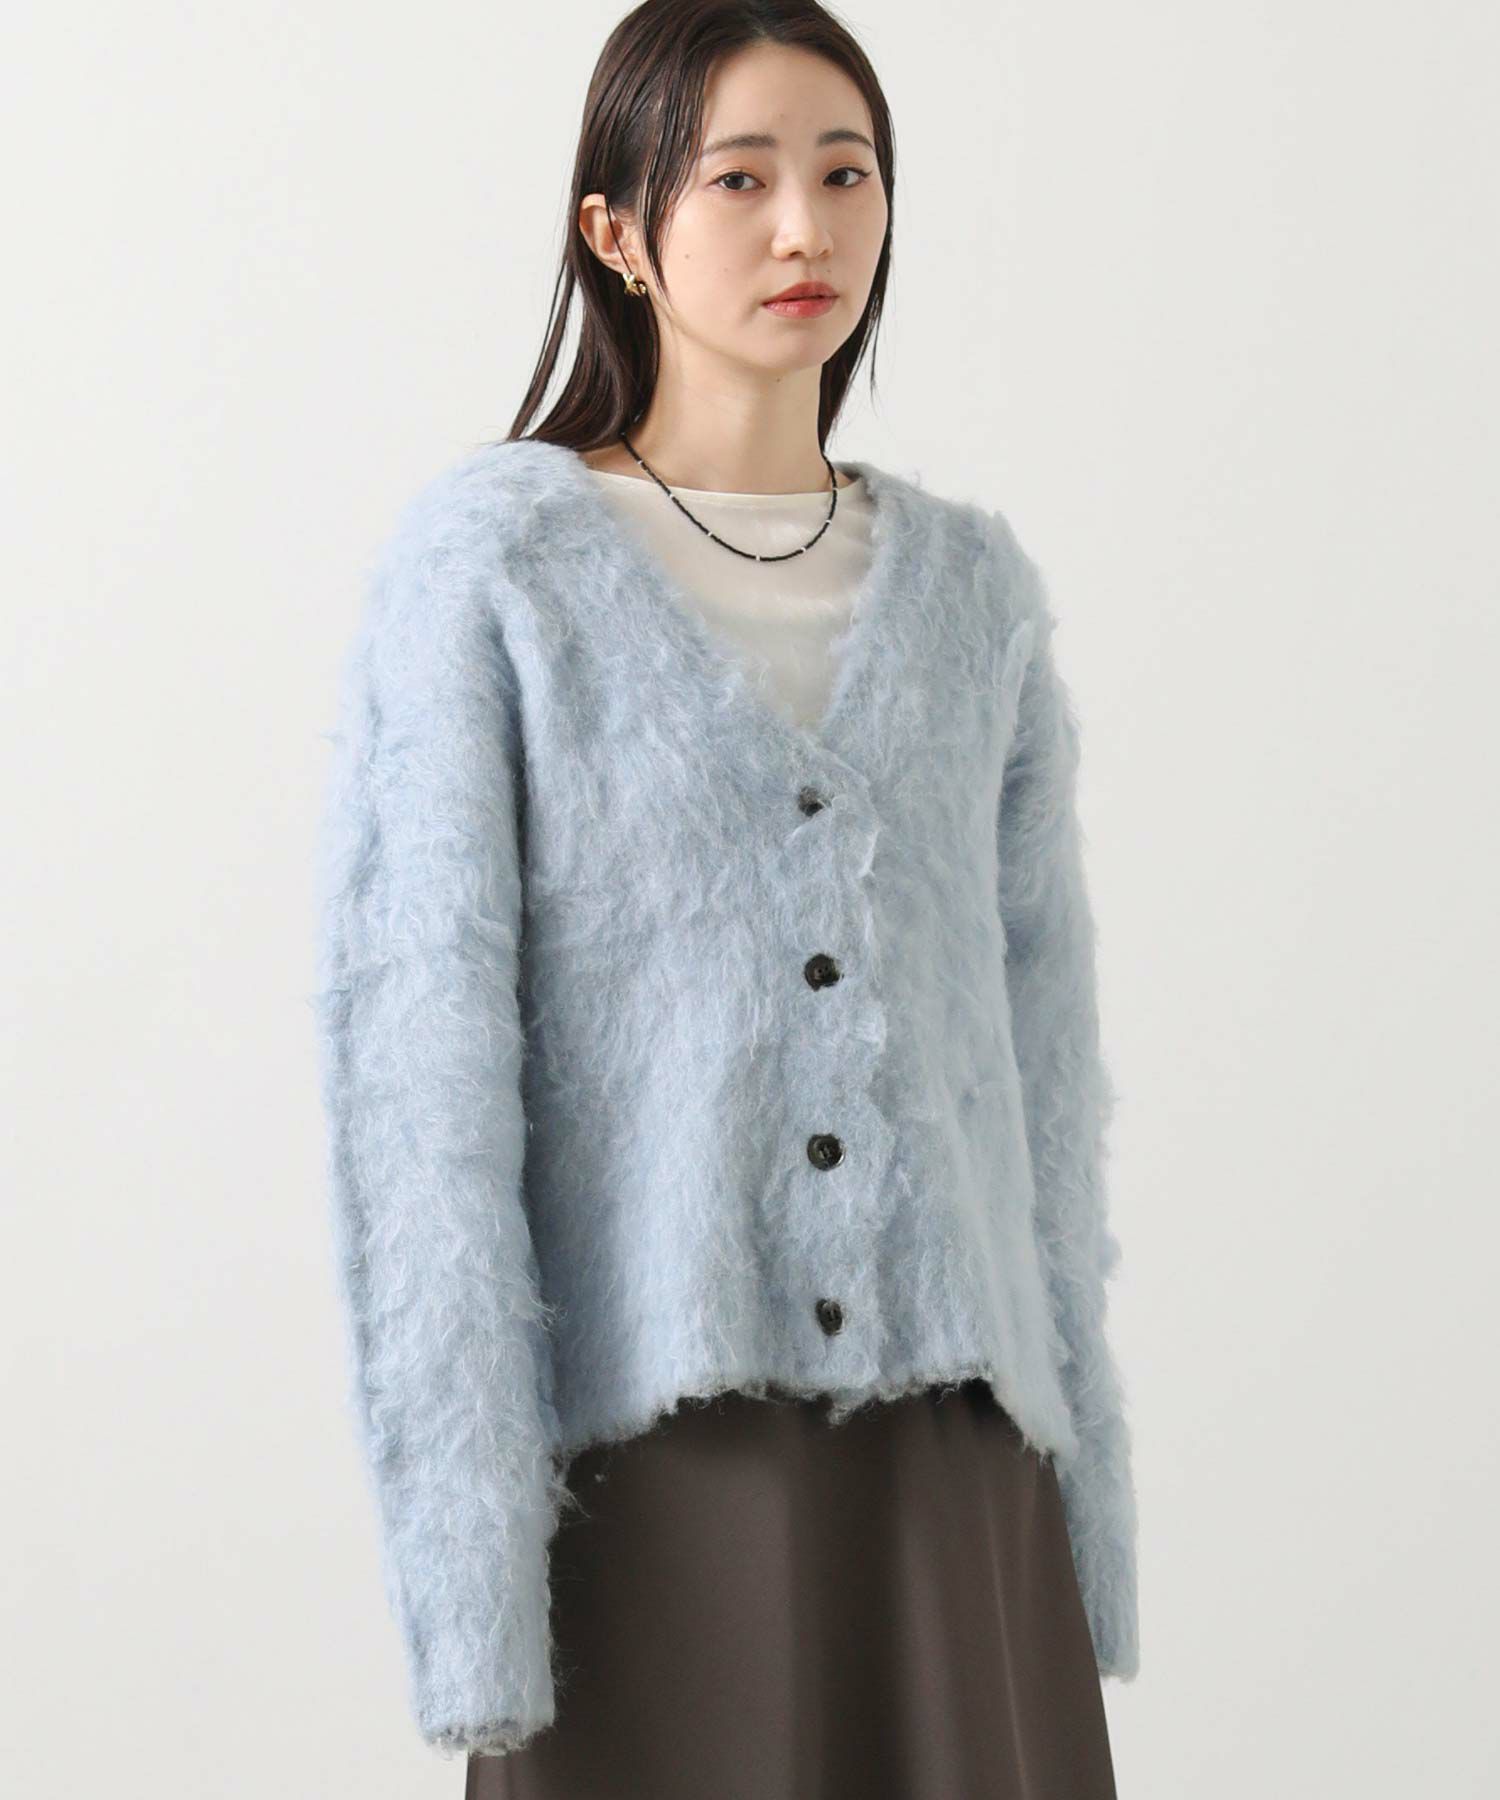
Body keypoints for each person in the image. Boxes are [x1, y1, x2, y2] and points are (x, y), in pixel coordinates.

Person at [312, 4, 1139, 1796]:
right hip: (644, 1488)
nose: (804, 228)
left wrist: (1087, 1527)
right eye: (740, 179)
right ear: (617, 228)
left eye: (847, 175)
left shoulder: (972, 595)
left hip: (957, 1475)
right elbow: (418, 1104)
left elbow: (1044, 1086)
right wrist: (469, 1584)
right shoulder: (496, 570)